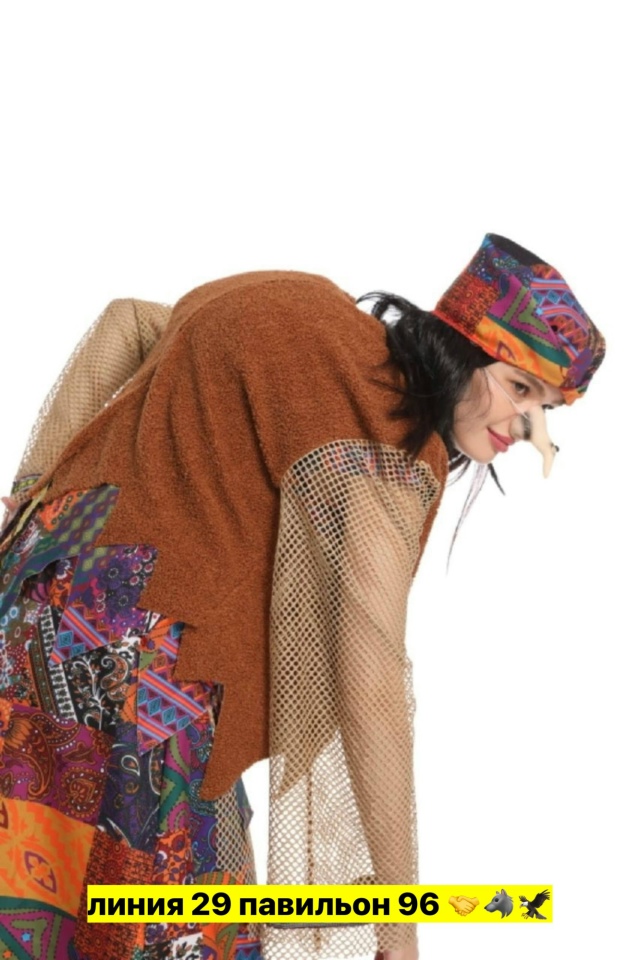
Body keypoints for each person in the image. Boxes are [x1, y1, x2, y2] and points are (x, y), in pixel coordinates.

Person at [0, 234, 605, 960]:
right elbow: (371, 682)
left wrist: (29, 494)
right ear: (460, 347)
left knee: (36, 873)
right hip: (147, 687)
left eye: (547, 408)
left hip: (26, 608)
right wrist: (398, 923)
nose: (528, 427)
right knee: (173, 926)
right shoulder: (385, 450)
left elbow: (127, 321)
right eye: (519, 389)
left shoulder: (304, 308)